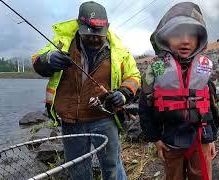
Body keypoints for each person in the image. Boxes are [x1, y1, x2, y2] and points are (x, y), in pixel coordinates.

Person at [31, 1, 141, 179]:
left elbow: (134, 76)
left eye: (99, 34)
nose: (94, 38)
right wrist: (48, 60)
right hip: (71, 121)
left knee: (112, 167)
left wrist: (124, 93)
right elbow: (36, 62)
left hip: (105, 118)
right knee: (78, 171)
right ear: (79, 25)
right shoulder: (62, 42)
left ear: (107, 27)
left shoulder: (119, 50)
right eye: (88, 34)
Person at [139, 2, 219, 180]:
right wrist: (155, 139)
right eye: (177, 34)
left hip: (201, 139)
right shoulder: (155, 69)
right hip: (170, 141)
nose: (185, 40)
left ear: (199, 38)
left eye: (191, 34)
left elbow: (210, 105)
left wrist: (212, 137)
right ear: (165, 38)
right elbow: (144, 108)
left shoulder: (204, 68)